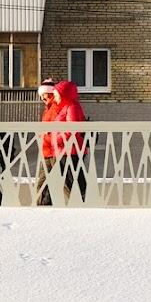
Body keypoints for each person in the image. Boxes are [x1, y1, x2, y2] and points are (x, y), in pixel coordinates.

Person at [36, 78, 89, 206]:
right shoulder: (53, 108)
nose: (44, 97)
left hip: (65, 151)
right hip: (54, 150)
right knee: (54, 183)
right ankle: (44, 206)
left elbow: (72, 129)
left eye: (47, 94)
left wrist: (52, 137)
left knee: (70, 183)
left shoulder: (69, 107)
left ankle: (82, 207)